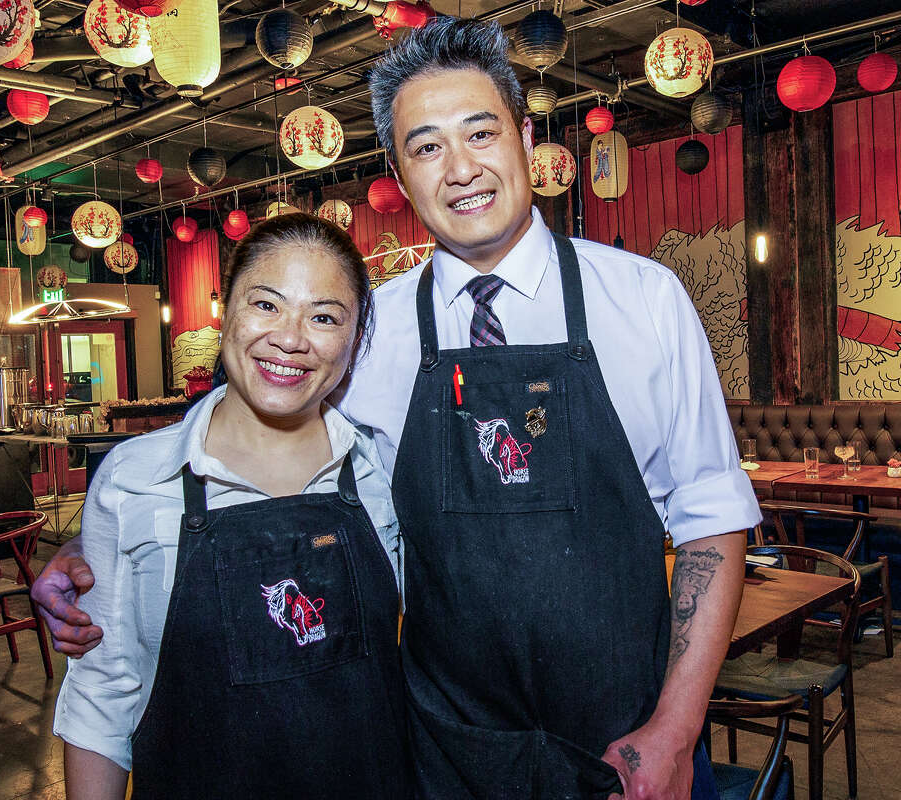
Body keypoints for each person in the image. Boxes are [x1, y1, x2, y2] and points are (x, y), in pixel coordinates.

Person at [37, 17, 761, 800]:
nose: (460, 169)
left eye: (480, 133)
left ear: (523, 136)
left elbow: (709, 515)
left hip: (630, 745)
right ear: (398, 169)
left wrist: (676, 731)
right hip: (443, 755)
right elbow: (260, 429)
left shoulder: (643, 299)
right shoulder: (367, 329)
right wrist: (101, 549)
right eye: (426, 146)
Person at [51, 213, 410, 800]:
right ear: (227, 313)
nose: (290, 338)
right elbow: (103, 691)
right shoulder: (136, 479)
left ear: (354, 339)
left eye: (324, 317)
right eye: (266, 305)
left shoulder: (383, 472)